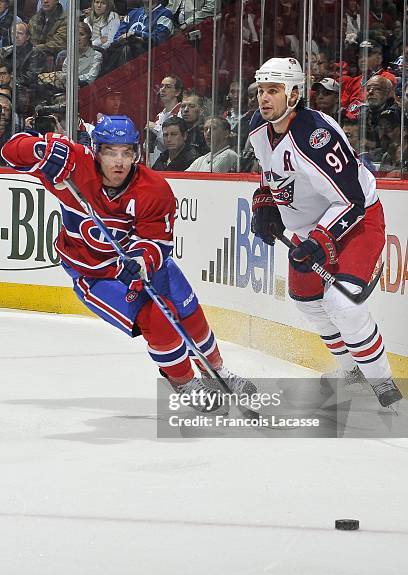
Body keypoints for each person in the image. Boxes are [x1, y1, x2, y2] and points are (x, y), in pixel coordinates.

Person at [2, 115, 253, 404]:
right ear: (97, 151)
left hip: (138, 266)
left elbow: (157, 243)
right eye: (110, 152)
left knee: (188, 310)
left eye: (126, 153)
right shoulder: (73, 166)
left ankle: (217, 371)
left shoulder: (154, 190)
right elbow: (10, 150)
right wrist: (41, 151)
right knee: (159, 316)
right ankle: (184, 382)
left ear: (137, 153)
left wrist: (142, 259)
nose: (119, 162)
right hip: (94, 274)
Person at [249, 56, 402, 412]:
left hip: (356, 223)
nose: (264, 98)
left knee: (342, 304)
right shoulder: (260, 126)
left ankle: (385, 387)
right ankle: (352, 373)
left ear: (294, 94)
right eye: (261, 90)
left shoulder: (316, 137)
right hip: (311, 230)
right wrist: (264, 202)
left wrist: (319, 239)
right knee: (308, 301)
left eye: (274, 90)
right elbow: (268, 172)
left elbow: (352, 200)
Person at [146, 74, 183, 165]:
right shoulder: (159, 116)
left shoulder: (181, 114)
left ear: (177, 92)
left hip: (172, 166)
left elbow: (176, 144)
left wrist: (156, 129)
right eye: (162, 86)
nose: (162, 89)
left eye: (168, 87)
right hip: (155, 165)